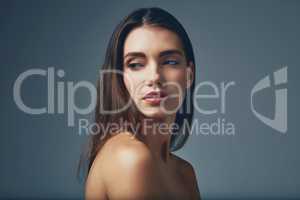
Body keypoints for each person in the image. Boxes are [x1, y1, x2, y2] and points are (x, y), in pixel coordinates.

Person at [84, 7, 201, 200]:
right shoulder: (130, 158)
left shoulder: (185, 172)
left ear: (189, 74)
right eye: (136, 64)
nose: (154, 77)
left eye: (170, 62)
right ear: (120, 77)